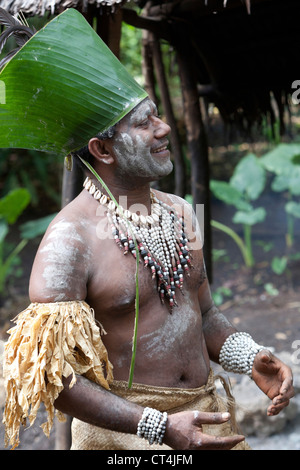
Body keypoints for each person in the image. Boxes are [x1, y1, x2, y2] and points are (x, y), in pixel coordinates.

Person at [1, 9, 294, 451]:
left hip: (207, 417)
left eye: (157, 116)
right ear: (102, 149)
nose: (164, 128)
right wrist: (157, 427)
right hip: (123, 439)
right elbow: (54, 378)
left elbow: (204, 314)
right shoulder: (69, 239)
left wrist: (249, 357)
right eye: (144, 123)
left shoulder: (181, 212)